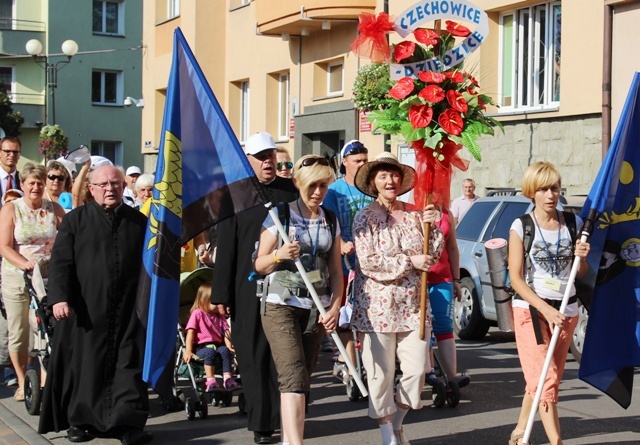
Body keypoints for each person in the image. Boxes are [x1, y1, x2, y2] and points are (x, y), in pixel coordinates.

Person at [38, 165, 152, 445]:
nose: (110, 189)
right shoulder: (75, 221)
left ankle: (127, 424)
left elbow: (150, 265)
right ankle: (80, 421)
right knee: (86, 366)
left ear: (123, 187)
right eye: (103, 184)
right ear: (91, 189)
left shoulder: (138, 221)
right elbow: (60, 263)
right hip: (86, 310)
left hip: (127, 310)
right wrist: (59, 298)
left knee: (127, 366)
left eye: (115, 183)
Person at [212, 132, 298, 444]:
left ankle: (285, 417)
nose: (267, 162)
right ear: (247, 160)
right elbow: (227, 245)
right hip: (246, 286)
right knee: (252, 353)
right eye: (260, 157)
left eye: (271, 156)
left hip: (287, 283)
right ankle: (262, 422)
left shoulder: (290, 191)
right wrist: (220, 293)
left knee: (283, 354)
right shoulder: (234, 194)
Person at [352, 153, 443, 445]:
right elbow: (368, 262)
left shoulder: (417, 214)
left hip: (414, 308)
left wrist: (435, 224)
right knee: (380, 376)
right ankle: (387, 435)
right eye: (383, 176)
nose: (390, 181)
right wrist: (409, 262)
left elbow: (433, 254)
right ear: (373, 182)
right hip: (377, 310)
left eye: (393, 175)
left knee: (418, 371)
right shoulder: (364, 217)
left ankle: (398, 423)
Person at [254, 154, 342, 445]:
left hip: (317, 306)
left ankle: (291, 438)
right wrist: (279, 255)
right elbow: (259, 264)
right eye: (312, 186)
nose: (318, 192)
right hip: (281, 302)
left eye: (324, 186)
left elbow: (334, 268)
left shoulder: (330, 219)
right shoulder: (280, 214)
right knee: (292, 373)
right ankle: (295, 443)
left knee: (303, 376)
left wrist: (336, 304)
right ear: (298, 184)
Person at [507, 162, 590, 445]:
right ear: (532, 192)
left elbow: (580, 272)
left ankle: (520, 432)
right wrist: (544, 309)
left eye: (554, 188)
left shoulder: (572, 223)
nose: (550, 194)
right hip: (532, 309)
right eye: (543, 189)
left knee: (539, 377)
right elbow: (516, 278)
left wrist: (582, 256)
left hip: (566, 309)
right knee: (547, 379)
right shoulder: (522, 225)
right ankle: (557, 442)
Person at [0, 163, 65, 401]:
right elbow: (4, 246)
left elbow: (70, 235)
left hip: (47, 275)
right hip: (17, 274)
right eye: (31, 183)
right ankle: (20, 380)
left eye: (40, 182)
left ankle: (45, 381)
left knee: (44, 328)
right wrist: (23, 263)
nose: (36, 187)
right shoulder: (11, 209)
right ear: (23, 184)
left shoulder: (54, 209)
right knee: (19, 331)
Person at [322, 139, 371, 370]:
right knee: (343, 315)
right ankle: (349, 362)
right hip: (343, 263)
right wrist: (340, 243)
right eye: (357, 160)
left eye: (365, 160)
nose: (362, 164)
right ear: (345, 162)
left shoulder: (372, 188)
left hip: (369, 263)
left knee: (367, 313)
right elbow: (327, 222)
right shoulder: (334, 191)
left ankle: (368, 362)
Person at [427, 202, 470, 390]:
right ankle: (428, 372)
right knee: (422, 327)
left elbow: (452, 248)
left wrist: (457, 280)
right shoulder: (411, 211)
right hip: (417, 280)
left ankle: (452, 377)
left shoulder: (446, 213)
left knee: (444, 325)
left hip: (442, 278)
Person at [183, 282, 237, 391]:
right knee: (209, 352)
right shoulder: (198, 313)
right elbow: (190, 333)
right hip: (202, 347)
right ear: (205, 300)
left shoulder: (219, 316)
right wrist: (188, 350)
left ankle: (227, 377)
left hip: (217, 345)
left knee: (225, 351)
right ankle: (210, 380)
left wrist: (229, 346)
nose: (219, 306)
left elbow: (226, 332)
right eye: (216, 303)